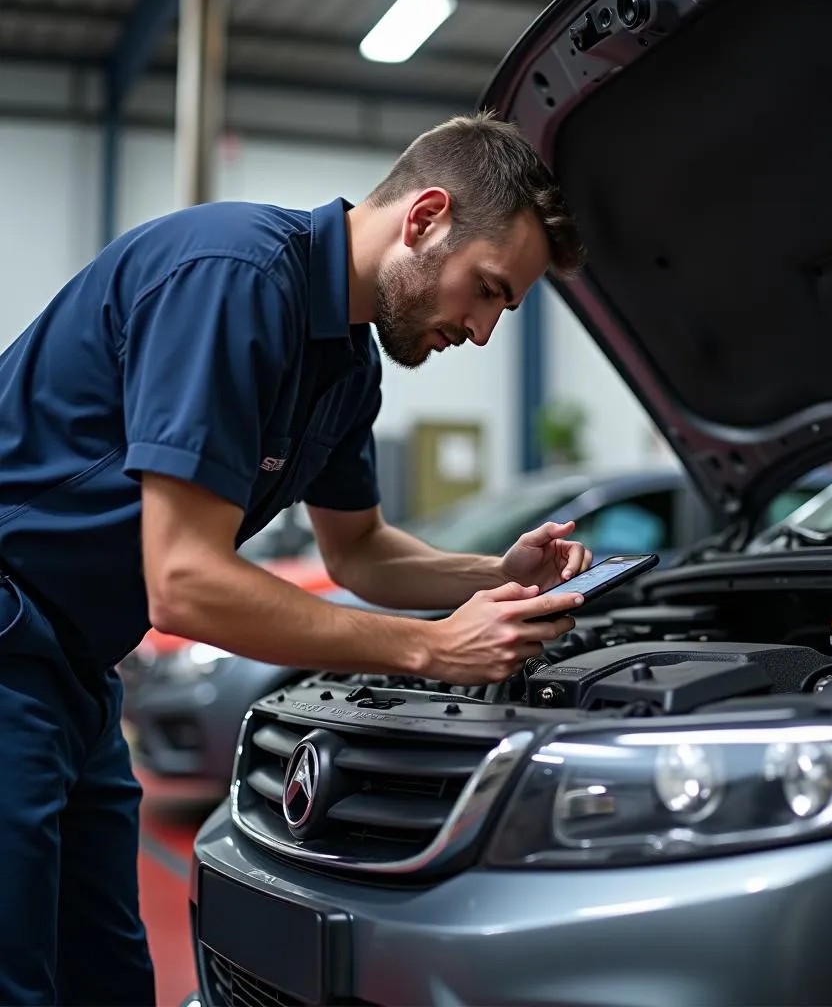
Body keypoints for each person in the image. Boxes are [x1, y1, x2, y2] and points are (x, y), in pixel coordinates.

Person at [0, 111, 590, 1005]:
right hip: (8, 635)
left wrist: (495, 576)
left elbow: (359, 553)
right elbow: (184, 580)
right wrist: (431, 649)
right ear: (426, 216)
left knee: (108, 975)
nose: (479, 331)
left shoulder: (349, 366)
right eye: (487, 290)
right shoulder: (233, 280)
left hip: (73, 670)